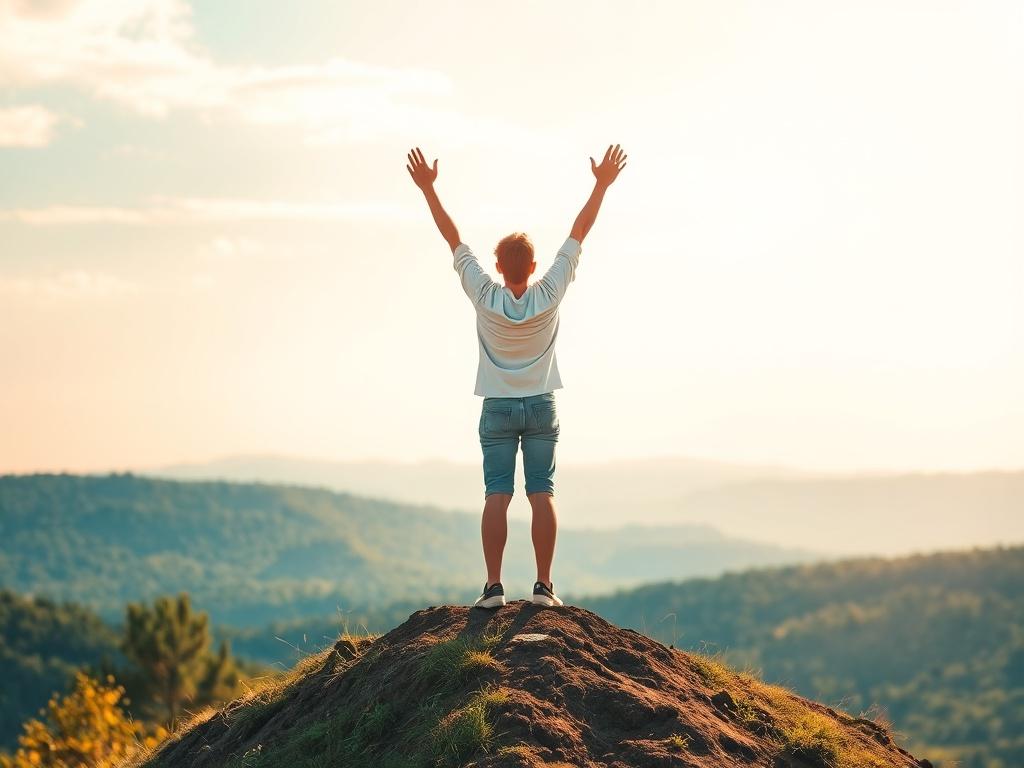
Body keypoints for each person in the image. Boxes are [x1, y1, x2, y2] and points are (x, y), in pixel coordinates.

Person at [406, 143, 627, 609]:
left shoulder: (484, 294)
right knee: (542, 492)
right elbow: (580, 230)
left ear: (498, 267)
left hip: (497, 406)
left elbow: (452, 238)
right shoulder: (549, 290)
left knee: (497, 494)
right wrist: (601, 184)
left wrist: (429, 190)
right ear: (531, 266)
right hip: (542, 402)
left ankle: (493, 589)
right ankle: (544, 587)